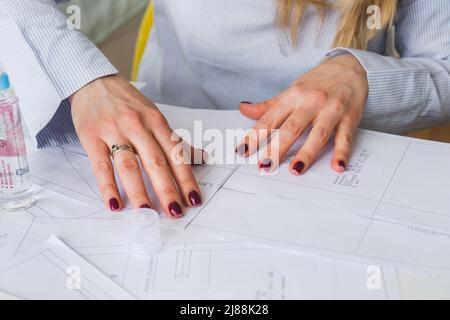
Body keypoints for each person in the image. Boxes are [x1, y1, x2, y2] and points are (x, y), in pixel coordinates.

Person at [0, 0, 449, 219]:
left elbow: (443, 64)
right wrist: (83, 80)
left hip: (335, 161)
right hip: (171, 134)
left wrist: (361, 76)